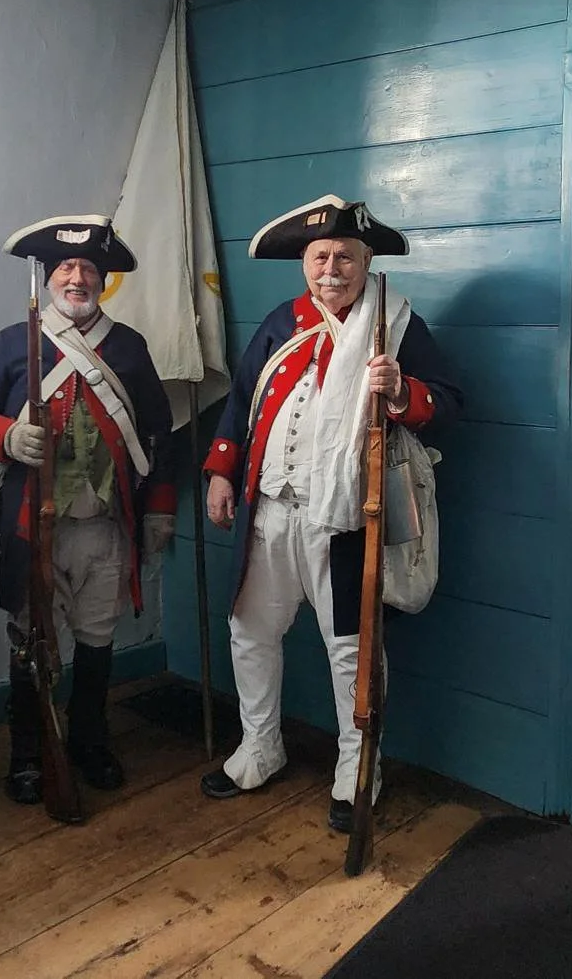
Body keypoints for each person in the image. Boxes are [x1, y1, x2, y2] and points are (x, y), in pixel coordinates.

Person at [198, 195, 462, 833]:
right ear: (303, 264)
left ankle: (357, 764)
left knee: (352, 648)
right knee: (251, 632)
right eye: (320, 256)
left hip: (347, 516)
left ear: (366, 262)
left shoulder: (396, 324)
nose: (331, 268)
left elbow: (448, 404)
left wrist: (401, 390)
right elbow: (240, 402)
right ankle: (260, 746)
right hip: (270, 509)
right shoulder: (280, 321)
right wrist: (220, 471)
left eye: (345, 256)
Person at [0, 214, 175, 804]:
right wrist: (5, 437)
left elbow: (157, 435)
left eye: (87, 268)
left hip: (105, 525)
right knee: (33, 639)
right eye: (65, 268)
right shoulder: (15, 340)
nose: (76, 277)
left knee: (96, 639)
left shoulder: (127, 347)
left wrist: (158, 509)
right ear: (48, 278)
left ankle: (89, 741)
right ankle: (28, 754)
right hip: (36, 527)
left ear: (103, 281)